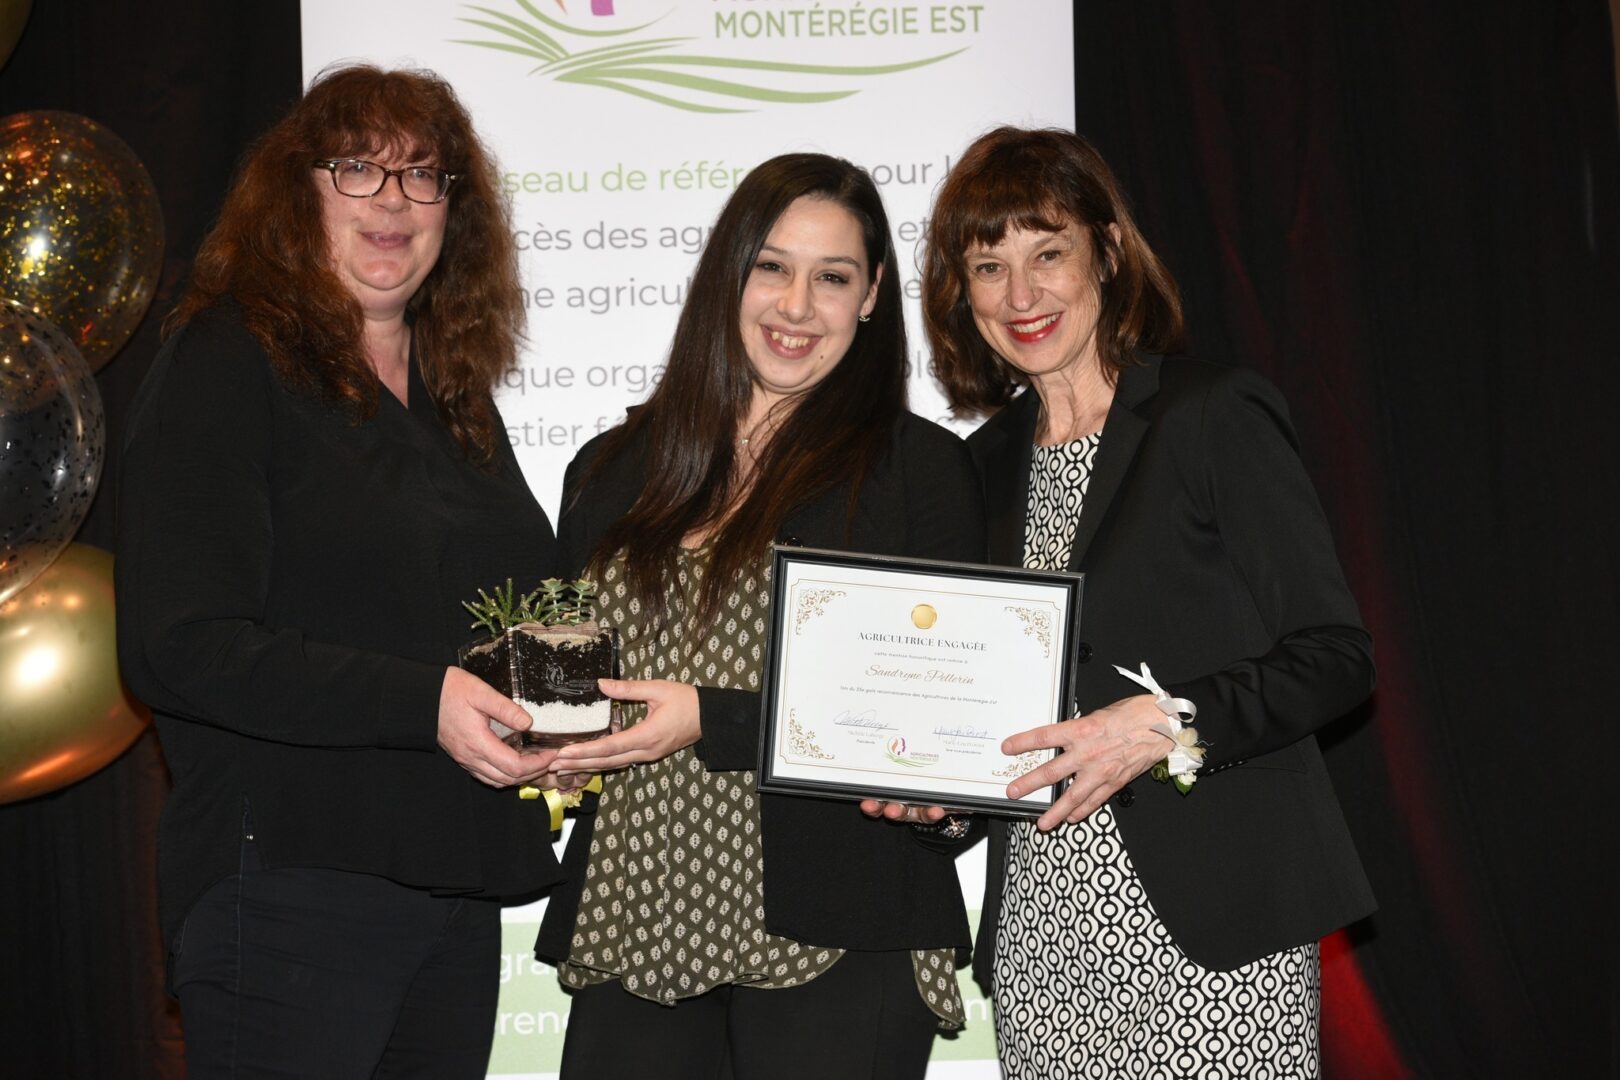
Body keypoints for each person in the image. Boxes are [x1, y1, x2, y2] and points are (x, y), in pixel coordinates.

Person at [115, 65, 564, 1078]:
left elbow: (513, 610)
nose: (394, 204)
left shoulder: (454, 401)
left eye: (424, 177)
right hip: (287, 886)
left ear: (458, 212)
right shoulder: (228, 363)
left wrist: (569, 722)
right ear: (297, 191)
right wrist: (427, 702)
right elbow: (179, 645)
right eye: (359, 169)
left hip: (450, 889)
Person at [921, 126, 1376, 1077]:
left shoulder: (1211, 415)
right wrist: (935, 793)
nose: (1021, 295)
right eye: (989, 266)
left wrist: (1168, 724)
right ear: (962, 296)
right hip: (1045, 938)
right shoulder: (977, 469)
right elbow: (985, 699)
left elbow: (1337, 655)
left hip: (1217, 931)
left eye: (1049, 253)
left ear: (1109, 252)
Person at [530, 153, 985, 1079]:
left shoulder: (917, 472)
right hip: (636, 908)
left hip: (842, 925)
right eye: (770, 266)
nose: (795, 304)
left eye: (832, 277)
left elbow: (953, 723)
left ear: (870, 296)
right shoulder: (611, 466)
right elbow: (563, 667)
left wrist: (715, 715)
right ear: (728, 274)